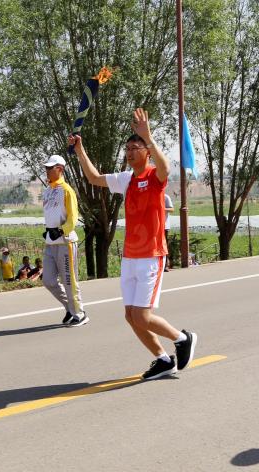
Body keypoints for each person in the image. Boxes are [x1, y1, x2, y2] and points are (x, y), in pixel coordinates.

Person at [68, 108, 197, 380]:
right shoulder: (126, 179)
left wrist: (147, 136)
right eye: (126, 148)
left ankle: (182, 338)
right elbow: (93, 178)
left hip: (151, 255)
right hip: (130, 256)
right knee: (130, 316)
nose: (129, 152)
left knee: (142, 315)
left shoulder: (154, 177)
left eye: (134, 147)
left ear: (146, 152)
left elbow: (167, 168)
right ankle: (163, 360)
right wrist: (80, 150)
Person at [41, 154, 88, 327]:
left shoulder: (67, 190)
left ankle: (80, 314)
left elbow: (73, 218)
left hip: (65, 242)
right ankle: (70, 307)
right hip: (50, 242)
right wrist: (48, 231)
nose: (46, 170)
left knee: (69, 281)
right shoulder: (47, 191)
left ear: (59, 169)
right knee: (48, 280)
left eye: (50, 168)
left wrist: (60, 230)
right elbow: (51, 215)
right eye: (46, 167)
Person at [164, 193, 174, 271]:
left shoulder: (166, 196)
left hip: (164, 226)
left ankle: (166, 265)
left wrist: (162, 208)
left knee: (164, 246)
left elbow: (171, 209)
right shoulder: (151, 195)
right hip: (153, 227)